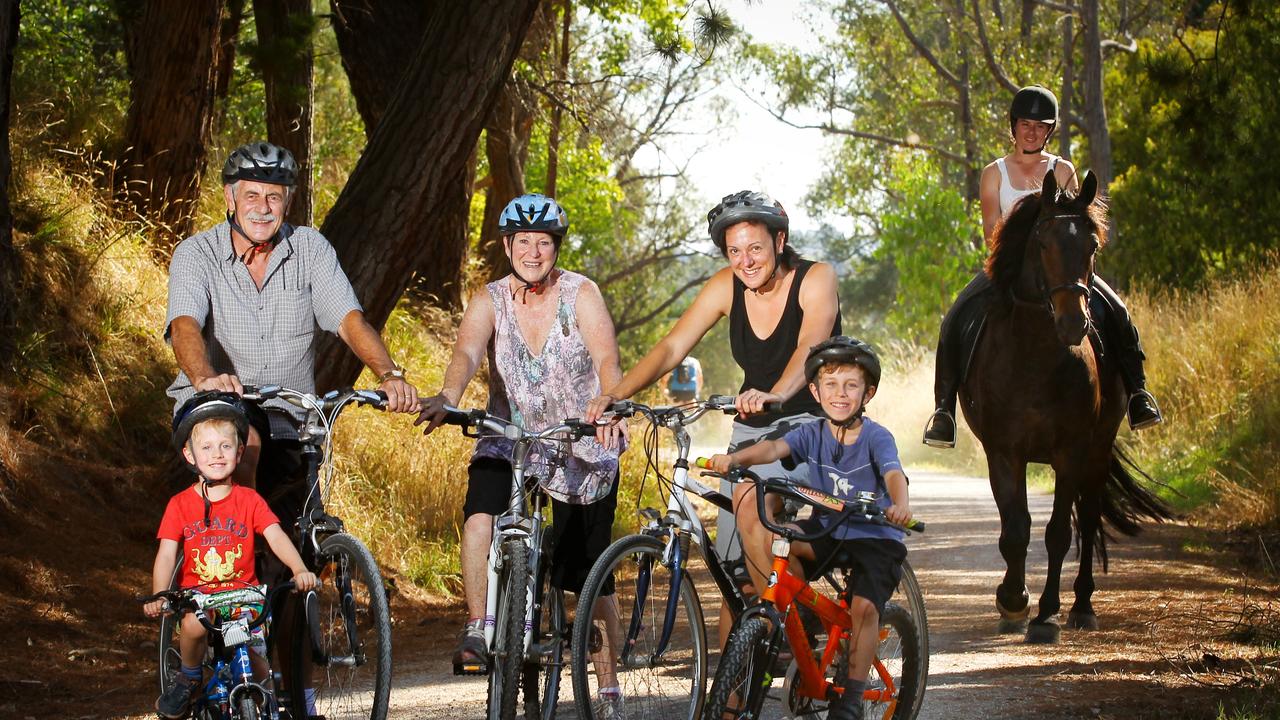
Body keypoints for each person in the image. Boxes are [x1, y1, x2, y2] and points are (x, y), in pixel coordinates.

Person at [584, 190, 841, 643]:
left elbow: (812, 347)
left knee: (750, 513)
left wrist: (775, 394)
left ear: (780, 241)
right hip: (752, 428)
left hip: (813, 425)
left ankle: (793, 627)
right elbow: (671, 347)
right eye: (734, 251)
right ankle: (729, 702)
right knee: (733, 574)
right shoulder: (726, 286)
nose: (745, 261)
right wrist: (616, 395)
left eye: (755, 248)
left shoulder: (816, 278)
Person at [414, 193, 628, 711]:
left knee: (587, 576)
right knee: (479, 515)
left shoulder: (581, 293)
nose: (533, 251)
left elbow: (607, 359)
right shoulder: (490, 298)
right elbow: (466, 352)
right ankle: (479, 625)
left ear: (556, 246)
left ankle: (609, 688)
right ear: (507, 245)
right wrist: (449, 397)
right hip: (509, 434)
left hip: (579, 440)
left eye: (544, 242)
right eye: (523, 241)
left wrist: (611, 406)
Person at [165, 140, 420, 505]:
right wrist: (205, 377)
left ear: (289, 201)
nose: (263, 208)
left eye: (274, 197)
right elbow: (184, 326)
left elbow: (349, 321)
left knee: (300, 524)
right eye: (251, 195)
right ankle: (242, 550)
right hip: (219, 409)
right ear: (230, 198)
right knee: (246, 443)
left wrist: (389, 374)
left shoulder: (310, 248)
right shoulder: (197, 253)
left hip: (291, 416)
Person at [922, 86, 1163, 448]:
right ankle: (944, 411)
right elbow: (993, 232)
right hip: (1009, 272)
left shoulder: (1062, 169)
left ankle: (1138, 394)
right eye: (1025, 124)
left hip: (1062, 271)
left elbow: (1075, 224)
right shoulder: (994, 174)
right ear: (1013, 126)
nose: (1031, 131)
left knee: (1119, 311)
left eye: (1040, 125)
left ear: (1049, 131)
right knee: (955, 317)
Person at [706, 337, 910, 720]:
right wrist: (734, 459)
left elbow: (893, 472)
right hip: (828, 530)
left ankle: (851, 696)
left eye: (851, 385)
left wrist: (900, 505)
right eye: (830, 385)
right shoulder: (811, 432)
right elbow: (770, 449)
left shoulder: (876, 436)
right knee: (777, 542)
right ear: (814, 391)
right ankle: (800, 622)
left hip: (874, 537)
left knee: (865, 608)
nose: (840, 394)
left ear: (868, 393)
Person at [145, 393, 318, 719]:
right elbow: (167, 554)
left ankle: (261, 708)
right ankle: (190, 677)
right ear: (190, 455)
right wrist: (160, 595)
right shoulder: (180, 505)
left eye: (225, 446)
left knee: (260, 670)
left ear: (240, 452)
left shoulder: (249, 500)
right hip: (201, 599)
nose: (216, 454)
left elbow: (275, 536)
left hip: (245, 599)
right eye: (206, 447)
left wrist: (298, 568)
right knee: (194, 627)